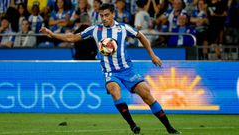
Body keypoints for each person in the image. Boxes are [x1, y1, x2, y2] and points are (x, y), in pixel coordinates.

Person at [40, 3, 180, 134]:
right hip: (110, 71)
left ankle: (170, 128)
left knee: (147, 96)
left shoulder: (123, 28)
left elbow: (141, 36)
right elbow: (72, 37)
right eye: (102, 16)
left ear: (113, 14)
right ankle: (133, 125)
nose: (104, 18)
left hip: (127, 70)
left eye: (107, 15)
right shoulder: (95, 30)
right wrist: (52, 34)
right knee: (114, 90)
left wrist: (152, 55)